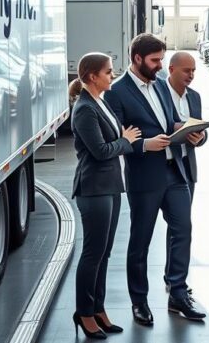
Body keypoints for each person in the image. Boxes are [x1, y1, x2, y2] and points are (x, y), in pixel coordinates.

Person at [105, 34, 206, 325]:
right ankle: (139, 302)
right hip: (144, 176)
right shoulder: (117, 92)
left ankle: (178, 293)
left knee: (183, 231)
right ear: (137, 59)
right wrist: (143, 145)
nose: (160, 65)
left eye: (161, 59)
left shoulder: (161, 85)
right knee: (140, 240)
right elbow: (114, 138)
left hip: (176, 172)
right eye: (155, 60)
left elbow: (171, 121)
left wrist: (190, 131)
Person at [70, 52, 153, 339]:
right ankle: (83, 312)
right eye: (107, 71)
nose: (112, 75)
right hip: (93, 189)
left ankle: (98, 309)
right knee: (93, 253)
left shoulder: (99, 102)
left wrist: (121, 139)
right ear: (92, 76)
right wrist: (126, 140)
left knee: (104, 254)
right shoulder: (84, 109)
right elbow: (101, 151)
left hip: (110, 186)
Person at [164, 51, 208, 295]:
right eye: (186, 70)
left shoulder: (195, 97)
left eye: (193, 71)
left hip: (186, 168)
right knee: (175, 226)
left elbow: (199, 128)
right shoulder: (159, 94)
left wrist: (200, 136)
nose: (191, 75)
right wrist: (175, 129)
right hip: (162, 167)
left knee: (180, 227)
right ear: (171, 70)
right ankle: (173, 281)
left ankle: (174, 280)